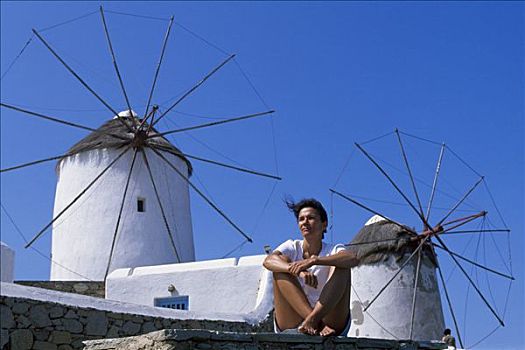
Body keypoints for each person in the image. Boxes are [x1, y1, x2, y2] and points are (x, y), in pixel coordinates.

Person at [263, 198, 360, 336]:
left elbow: (353, 258)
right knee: (280, 266)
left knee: (341, 264)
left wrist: (315, 260)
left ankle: (313, 319)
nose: (305, 222)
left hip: (331, 318)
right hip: (294, 319)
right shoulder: (292, 246)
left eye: (311, 218)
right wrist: (297, 271)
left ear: (324, 224)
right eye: (301, 219)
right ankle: (315, 322)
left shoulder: (334, 249)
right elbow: (268, 261)